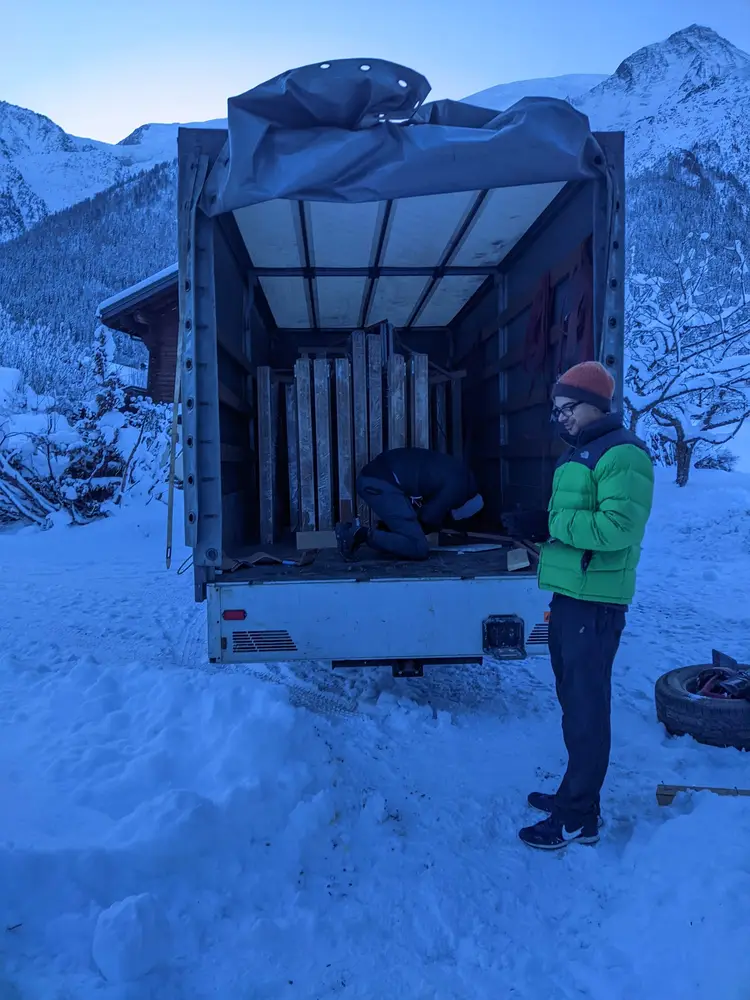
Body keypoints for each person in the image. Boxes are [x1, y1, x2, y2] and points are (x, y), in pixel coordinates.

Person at [503, 361, 654, 851]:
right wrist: (540, 524)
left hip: (597, 604)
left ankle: (578, 819)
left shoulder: (623, 454)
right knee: (573, 704)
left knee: (587, 710)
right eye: (557, 410)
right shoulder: (586, 451)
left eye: (568, 408)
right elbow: (578, 522)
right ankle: (574, 795)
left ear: (596, 404)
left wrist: (550, 524)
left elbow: (617, 528)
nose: (561, 418)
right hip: (573, 596)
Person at [335, 447, 484, 561]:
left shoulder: (458, 472)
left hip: (380, 478)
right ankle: (356, 533)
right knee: (418, 548)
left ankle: (379, 532)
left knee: (406, 538)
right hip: (381, 483)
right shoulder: (459, 486)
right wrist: (439, 524)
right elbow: (428, 517)